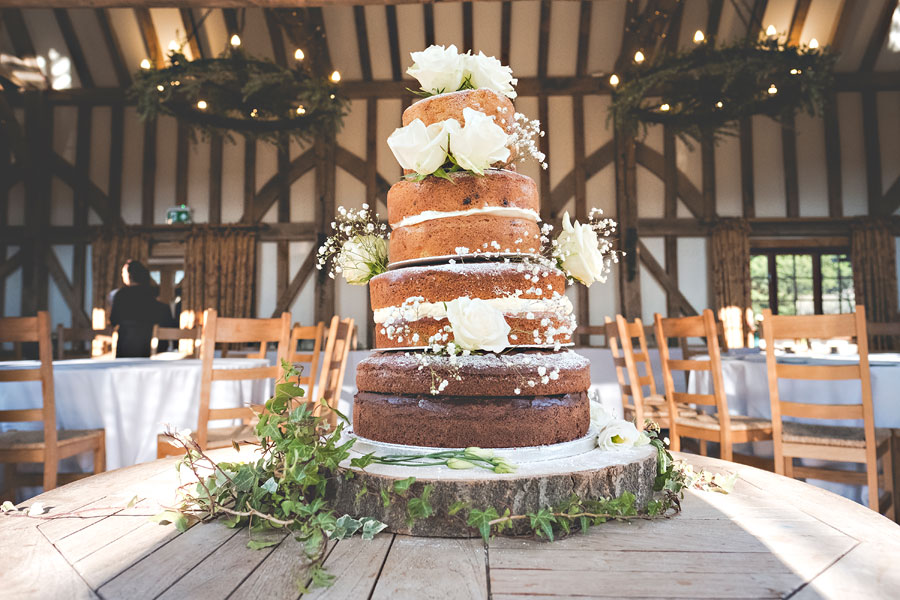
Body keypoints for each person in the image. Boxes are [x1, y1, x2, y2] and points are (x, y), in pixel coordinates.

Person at [109, 259, 176, 357]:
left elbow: (113, 320)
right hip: (147, 346)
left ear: (129, 275)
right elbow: (163, 317)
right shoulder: (151, 293)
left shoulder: (120, 295)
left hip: (124, 346)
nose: (122, 275)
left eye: (123, 273)